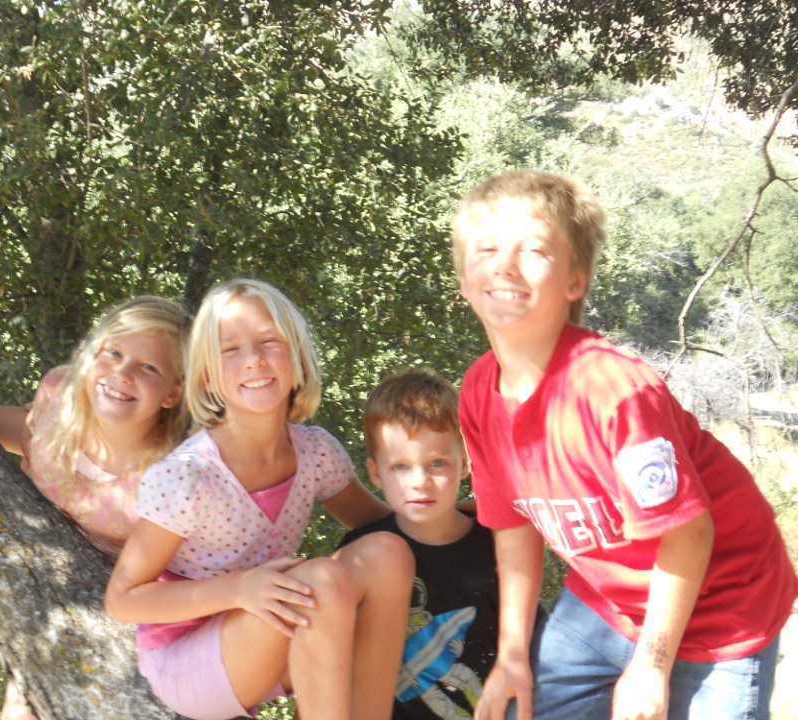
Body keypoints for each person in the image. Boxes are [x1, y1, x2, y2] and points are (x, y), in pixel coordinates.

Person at [451, 169, 798, 720]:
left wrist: (650, 668)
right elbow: (513, 527)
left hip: (723, 602)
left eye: (534, 249)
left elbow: (689, 534)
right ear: (463, 278)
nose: (505, 265)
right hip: (611, 601)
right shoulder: (477, 392)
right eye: (486, 248)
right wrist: (513, 654)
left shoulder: (612, 390)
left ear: (575, 281)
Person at [105, 278, 414, 720]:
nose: (253, 360)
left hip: (276, 637)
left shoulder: (315, 452)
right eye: (231, 349)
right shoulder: (190, 476)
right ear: (208, 376)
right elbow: (122, 600)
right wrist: (238, 590)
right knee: (320, 580)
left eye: (269, 341)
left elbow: (382, 523)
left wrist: (474, 511)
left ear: (297, 358)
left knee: (388, 551)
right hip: (190, 662)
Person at [0, 294, 189, 720]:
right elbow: (31, 434)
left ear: (173, 392)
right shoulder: (60, 393)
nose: (121, 373)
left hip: (121, 603)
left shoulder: (170, 473)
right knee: (20, 707)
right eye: (113, 353)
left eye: (149, 368)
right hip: (38, 578)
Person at [340, 368, 499, 719]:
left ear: (465, 464)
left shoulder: (496, 546)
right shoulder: (362, 552)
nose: (420, 482)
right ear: (376, 473)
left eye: (437, 463)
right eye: (400, 467)